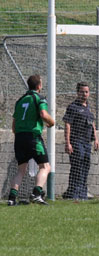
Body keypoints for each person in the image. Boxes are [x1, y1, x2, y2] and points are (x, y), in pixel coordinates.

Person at [7, 74, 55, 206]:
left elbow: (14, 126)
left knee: (21, 170)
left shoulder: (20, 100)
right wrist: (52, 122)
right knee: (45, 167)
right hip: (33, 137)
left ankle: (11, 198)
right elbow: (44, 114)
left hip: (19, 138)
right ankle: (37, 194)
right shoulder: (39, 98)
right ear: (39, 86)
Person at [62, 82, 99, 200]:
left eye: (86, 92)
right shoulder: (73, 107)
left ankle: (82, 192)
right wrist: (68, 143)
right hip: (76, 141)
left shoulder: (88, 107)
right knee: (77, 166)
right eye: (82, 92)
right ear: (77, 93)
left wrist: (96, 139)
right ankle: (74, 193)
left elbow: (92, 123)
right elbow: (67, 124)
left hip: (87, 142)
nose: (84, 94)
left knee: (85, 166)